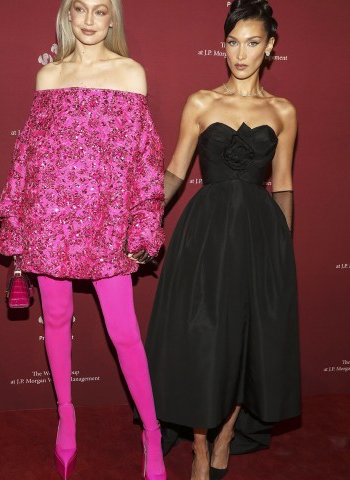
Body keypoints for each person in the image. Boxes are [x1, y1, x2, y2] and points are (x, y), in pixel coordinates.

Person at [0, 1, 166, 479]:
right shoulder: (49, 77)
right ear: (67, 16)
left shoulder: (131, 74)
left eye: (100, 10)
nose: (89, 21)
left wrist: (143, 220)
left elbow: (144, 158)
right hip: (50, 216)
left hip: (106, 221)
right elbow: (29, 155)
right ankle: (65, 416)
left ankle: (151, 431)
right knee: (57, 318)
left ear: (113, 19)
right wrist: (18, 219)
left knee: (124, 333)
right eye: (80, 10)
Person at [144, 0, 300, 479]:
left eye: (253, 43)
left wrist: (282, 252)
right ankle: (196, 444)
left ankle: (227, 434)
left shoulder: (283, 111)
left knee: (246, 342)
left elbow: (284, 184)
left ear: (270, 48)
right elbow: (175, 170)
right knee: (203, 339)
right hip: (205, 234)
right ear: (224, 45)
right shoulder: (201, 101)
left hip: (259, 237)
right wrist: (146, 215)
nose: (240, 53)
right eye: (233, 42)